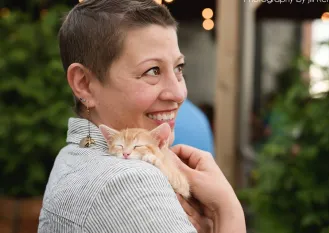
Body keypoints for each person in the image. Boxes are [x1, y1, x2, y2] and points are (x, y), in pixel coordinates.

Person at [38, 0, 246, 232]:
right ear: (84, 84)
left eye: (179, 68)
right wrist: (228, 210)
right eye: (152, 71)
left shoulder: (72, 155)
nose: (179, 93)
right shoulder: (130, 181)